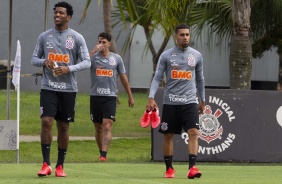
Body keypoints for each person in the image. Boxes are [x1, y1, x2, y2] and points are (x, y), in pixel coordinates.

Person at [31, 1, 91, 177]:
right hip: (48, 87)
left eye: (61, 13)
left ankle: (59, 166)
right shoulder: (44, 36)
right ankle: (46, 164)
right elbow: (34, 58)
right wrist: (44, 61)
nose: (57, 15)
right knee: (46, 121)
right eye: (55, 13)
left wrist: (68, 68)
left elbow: (87, 61)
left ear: (69, 17)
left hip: (68, 89)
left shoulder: (77, 38)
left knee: (63, 126)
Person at [145, 24, 205, 179]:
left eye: (187, 34)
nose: (185, 37)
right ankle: (169, 169)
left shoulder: (196, 55)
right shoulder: (166, 56)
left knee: (194, 132)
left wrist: (203, 100)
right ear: (175, 37)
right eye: (182, 35)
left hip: (190, 101)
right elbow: (157, 77)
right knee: (168, 135)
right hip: (171, 102)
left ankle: (192, 168)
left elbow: (200, 79)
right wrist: (151, 97)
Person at [89, 32, 134, 161]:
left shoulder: (116, 59)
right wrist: (93, 51)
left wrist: (130, 95)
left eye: (104, 42)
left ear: (109, 43)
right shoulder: (93, 57)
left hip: (110, 96)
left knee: (107, 125)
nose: (101, 45)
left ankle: (104, 155)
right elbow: (83, 63)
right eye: (100, 42)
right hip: (95, 96)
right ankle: (100, 152)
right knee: (98, 126)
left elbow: (123, 77)